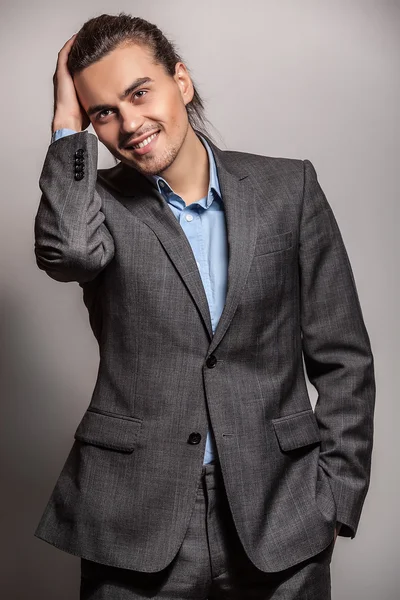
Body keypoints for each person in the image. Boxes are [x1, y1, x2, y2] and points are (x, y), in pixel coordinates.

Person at [33, 12, 376, 600]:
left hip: (281, 511)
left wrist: (336, 499)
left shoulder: (287, 190)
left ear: (181, 82)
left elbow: (344, 357)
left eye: (140, 93)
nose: (130, 124)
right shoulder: (97, 207)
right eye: (104, 113)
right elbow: (68, 255)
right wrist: (67, 126)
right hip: (133, 521)